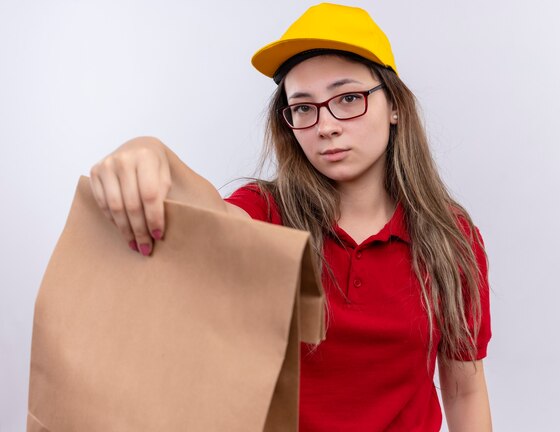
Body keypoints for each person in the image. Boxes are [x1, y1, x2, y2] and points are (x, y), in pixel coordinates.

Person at [89, 3, 492, 431]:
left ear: (394, 106)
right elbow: (204, 218)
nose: (326, 125)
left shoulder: (452, 237)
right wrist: (148, 152)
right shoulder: (266, 212)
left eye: (349, 98)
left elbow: (464, 390)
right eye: (303, 107)